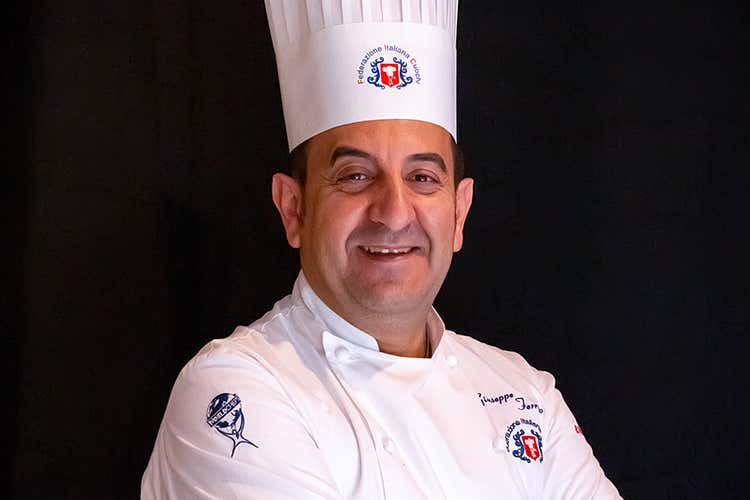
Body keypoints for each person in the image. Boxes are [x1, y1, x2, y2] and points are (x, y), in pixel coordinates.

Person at [142, 1, 622, 498]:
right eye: (355, 176)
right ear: (294, 208)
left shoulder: (524, 393)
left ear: (459, 212)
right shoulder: (233, 390)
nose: (393, 213)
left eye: (422, 177)